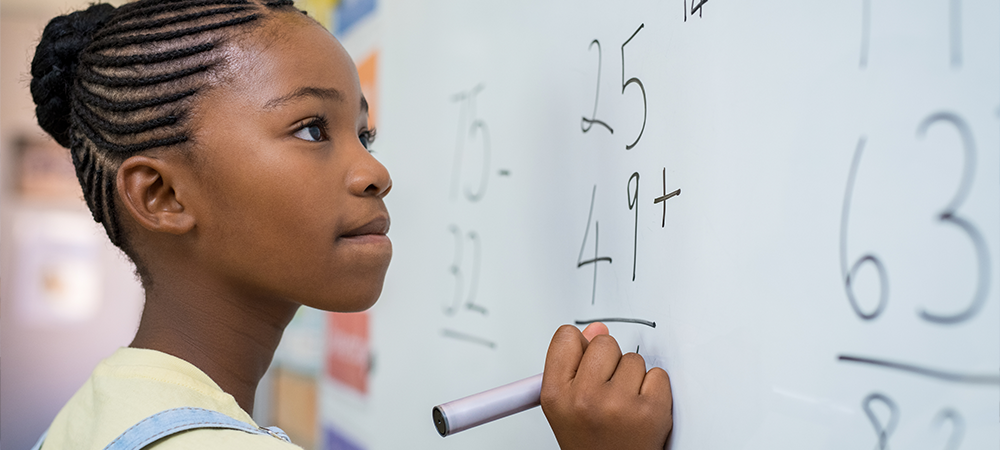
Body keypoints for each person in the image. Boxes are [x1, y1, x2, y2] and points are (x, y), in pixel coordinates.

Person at [27, 0, 674, 448]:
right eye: (313, 129)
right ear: (163, 194)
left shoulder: (104, 408)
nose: (375, 171)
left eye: (364, 132)